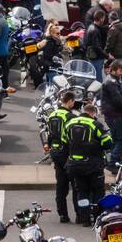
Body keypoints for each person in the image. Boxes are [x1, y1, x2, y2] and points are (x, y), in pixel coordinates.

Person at [66, 101, 113, 226]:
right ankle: (98, 217)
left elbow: (65, 140)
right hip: (93, 165)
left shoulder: (69, 123)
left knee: (82, 192)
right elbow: (107, 143)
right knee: (98, 191)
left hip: (75, 164)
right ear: (93, 113)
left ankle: (85, 219)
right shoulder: (95, 125)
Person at [45, 91, 78, 223]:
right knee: (76, 185)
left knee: (61, 185)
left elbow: (49, 134)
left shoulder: (52, 114)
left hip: (55, 151)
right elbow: (71, 136)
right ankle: (80, 215)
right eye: (73, 102)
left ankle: (63, 215)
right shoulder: (69, 116)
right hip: (67, 152)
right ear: (70, 101)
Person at [100, 60, 122, 167]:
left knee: (116, 139)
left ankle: (115, 162)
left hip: (113, 114)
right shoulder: (111, 82)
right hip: (114, 115)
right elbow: (117, 100)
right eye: (120, 71)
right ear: (114, 70)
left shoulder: (114, 80)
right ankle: (113, 163)